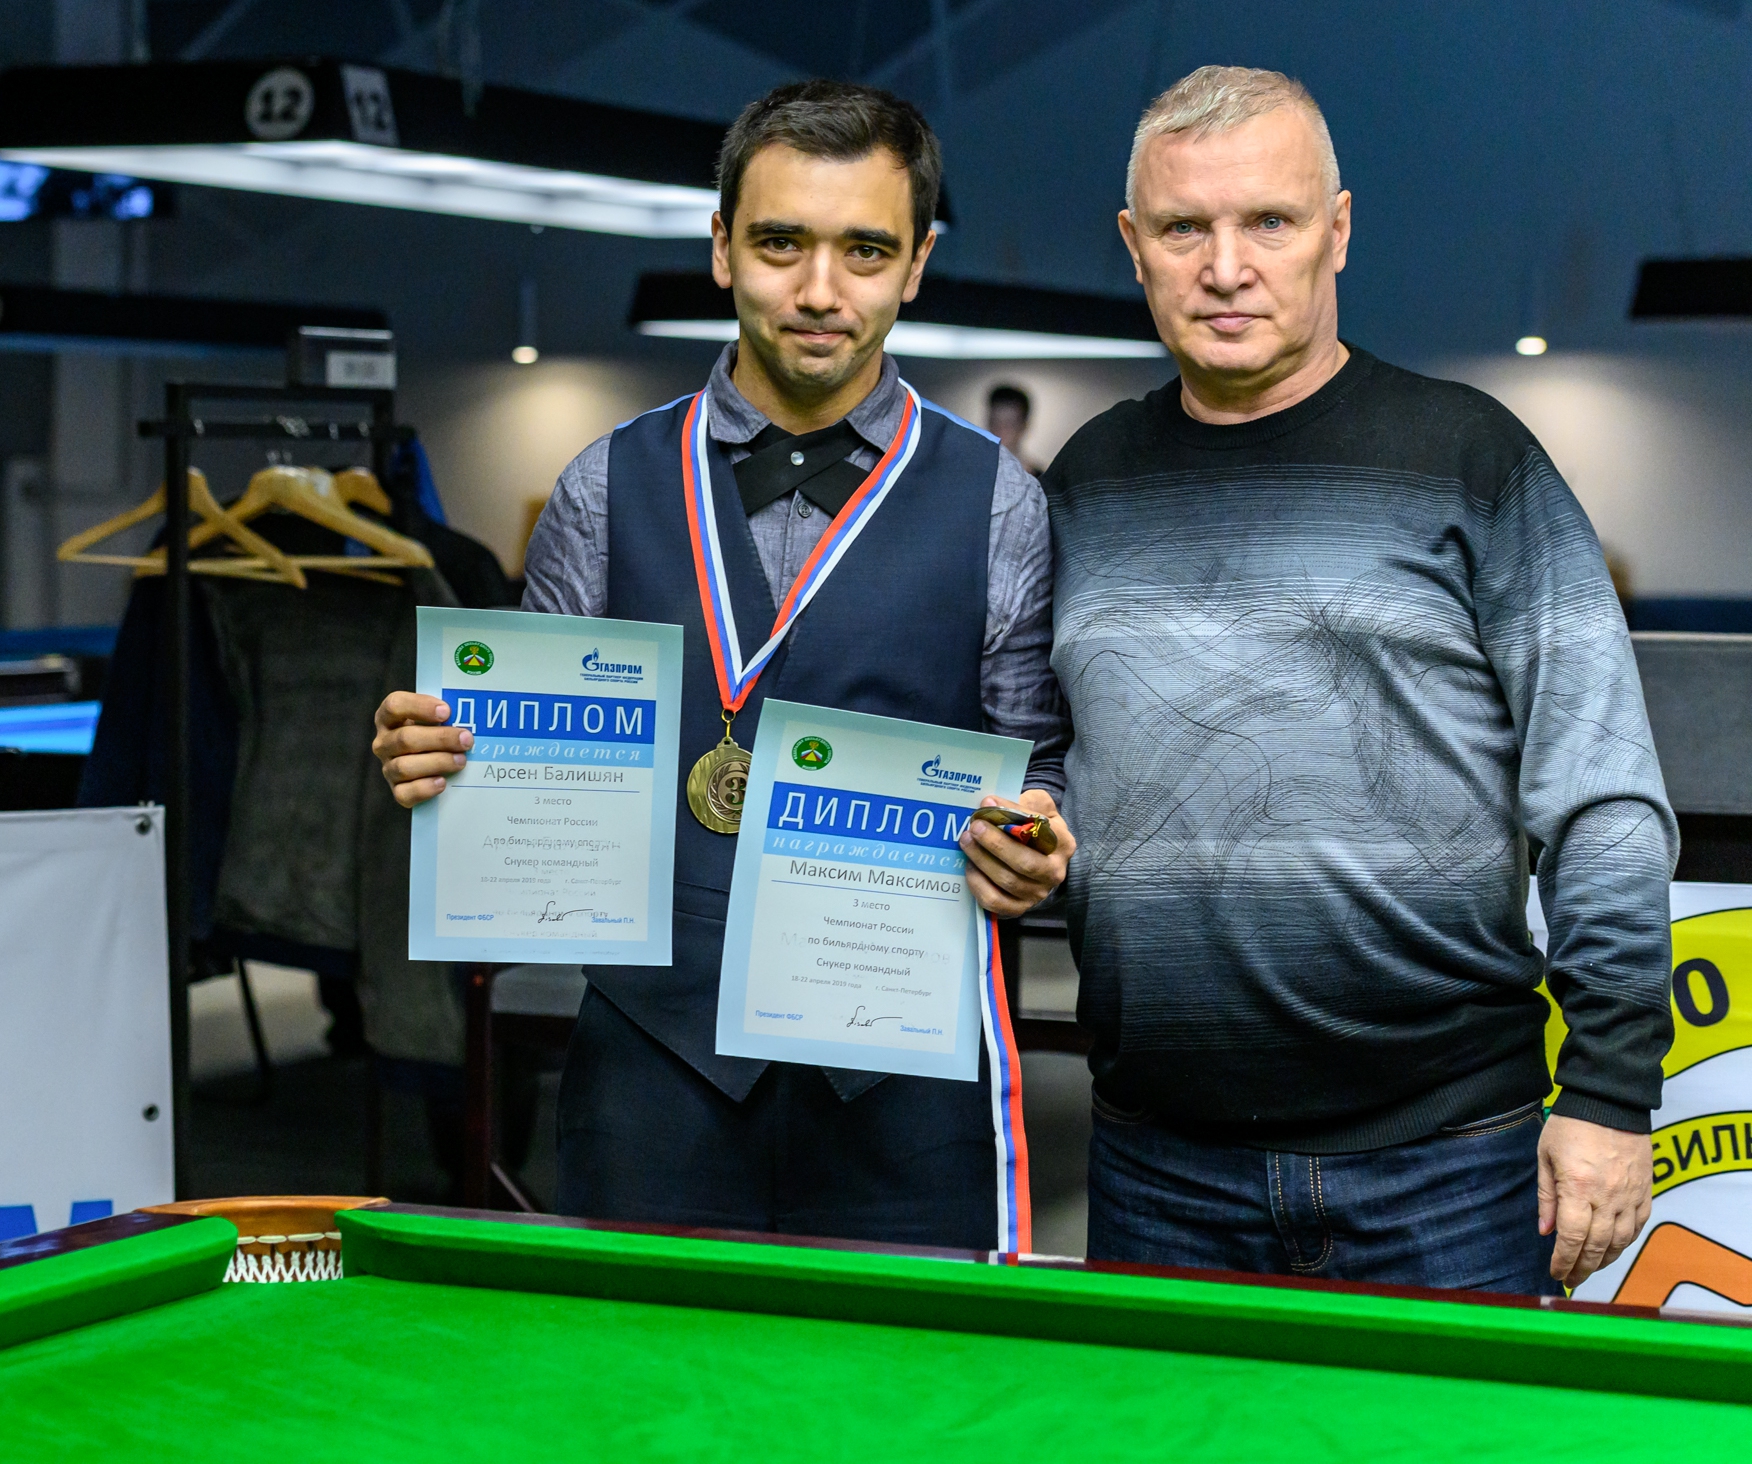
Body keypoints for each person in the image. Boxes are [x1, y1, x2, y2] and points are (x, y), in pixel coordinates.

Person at [371, 81, 1076, 1249]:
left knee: (904, 1374)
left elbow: (1035, 766)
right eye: (781, 243)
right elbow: (517, 769)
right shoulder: (604, 484)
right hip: (652, 1071)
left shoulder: (1000, 500)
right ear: (720, 248)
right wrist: (440, 761)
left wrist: (1037, 837)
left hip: (904, 1073)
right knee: (640, 1370)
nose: (820, 289)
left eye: (865, 250)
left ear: (916, 265)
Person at [1046, 66, 1671, 1294]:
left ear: (1337, 230)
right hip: (1155, 1164)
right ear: (1134, 246)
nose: (1227, 267)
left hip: (1450, 1165)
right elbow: (1046, 755)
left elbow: (1603, 795)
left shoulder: (1471, 457)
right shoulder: (1088, 480)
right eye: (1185, 228)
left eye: (1269, 221)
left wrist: (1609, 1093)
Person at [984, 383, 1037, 471]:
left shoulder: (1041, 478)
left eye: (1009, 424)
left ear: (1023, 426)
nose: (1000, 429)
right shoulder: (970, 471)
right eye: (994, 421)